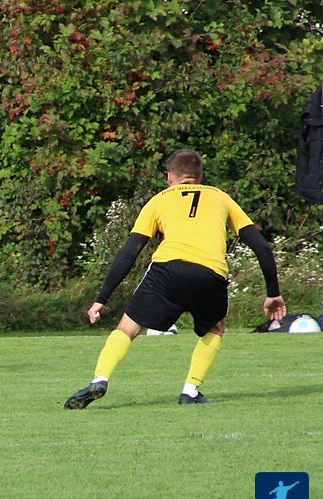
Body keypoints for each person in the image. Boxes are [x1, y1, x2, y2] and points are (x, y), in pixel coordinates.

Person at [64, 150, 286, 409]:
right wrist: (273, 293)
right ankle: (190, 390)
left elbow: (129, 252)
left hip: (166, 271)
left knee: (127, 328)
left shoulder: (159, 200)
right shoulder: (220, 197)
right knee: (214, 328)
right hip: (210, 274)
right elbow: (261, 247)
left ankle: (100, 379)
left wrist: (101, 299)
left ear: (170, 176)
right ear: (200, 177)